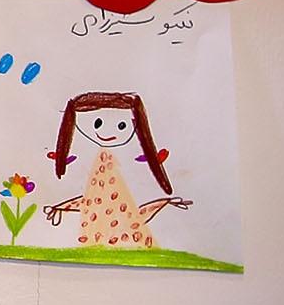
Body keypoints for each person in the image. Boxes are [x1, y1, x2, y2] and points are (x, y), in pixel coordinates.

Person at [43, 91, 190, 248]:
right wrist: (61, 207)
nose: (106, 132)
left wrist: (165, 202)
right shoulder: (99, 163)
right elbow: (92, 201)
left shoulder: (125, 166)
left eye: (121, 126)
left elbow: (130, 214)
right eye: (98, 123)